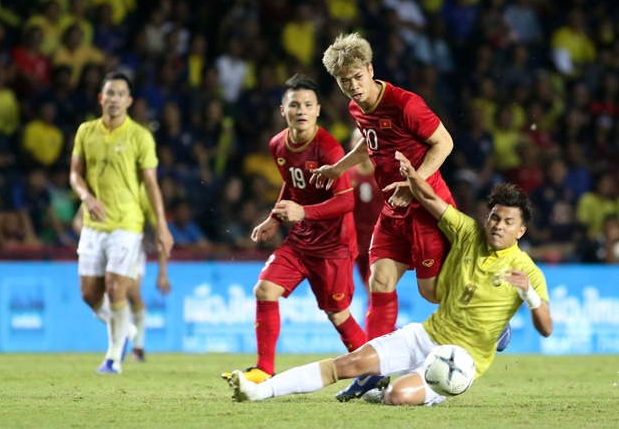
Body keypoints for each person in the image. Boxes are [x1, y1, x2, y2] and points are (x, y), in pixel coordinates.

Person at [229, 152, 552, 406]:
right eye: (494, 217)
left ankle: (399, 389)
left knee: (398, 395)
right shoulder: (469, 232)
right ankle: (259, 391)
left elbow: (546, 328)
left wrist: (530, 296)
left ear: (521, 230)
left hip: (459, 360)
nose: (498, 225)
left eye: (508, 222)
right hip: (425, 334)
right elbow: (431, 200)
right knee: (349, 364)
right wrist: (412, 176)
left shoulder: (527, 271)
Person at [310, 32, 456, 399]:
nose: (353, 87)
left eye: (357, 77)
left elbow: (444, 143)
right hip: (395, 208)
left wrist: (414, 183)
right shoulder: (356, 108)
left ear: (370, 69)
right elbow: (369, 140)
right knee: (379, 280)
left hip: (426, 207)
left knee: (431, 293)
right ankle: (372, 371)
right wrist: (338, 167)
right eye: (344, 81)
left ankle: (491, 317)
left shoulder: (405, 104)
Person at [221, 74, 366, 384]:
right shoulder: (278, 145)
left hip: (334, 245)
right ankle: (263, 370)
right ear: (282, 110)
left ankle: (373, 372)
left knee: (338, 314)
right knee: (264, 290)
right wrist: (274, 218)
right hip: (301, 240)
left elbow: (346, 201)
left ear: (318, 110)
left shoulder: (328, 149)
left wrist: (303, 212)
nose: (301, 111)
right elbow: (292, 184)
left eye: (308, 105)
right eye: (295, 105)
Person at [69, 71, 173, 374]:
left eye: (120, 94)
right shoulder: (85, 131)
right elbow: (75, 174)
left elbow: (151, 184)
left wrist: (162, 225)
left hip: (127, 224)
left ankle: (113, 358)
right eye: (109, 93)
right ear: (101, 98)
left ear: (129, 101)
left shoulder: (140, 136)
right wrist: (86, 198)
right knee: (89, 294)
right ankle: (124, 327)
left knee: (117, 288)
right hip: (93, 224)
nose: (114, 99)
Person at [72, 188, 172, 362]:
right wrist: (91, 237)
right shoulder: (98, 185)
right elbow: (78, 221)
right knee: (95, 295)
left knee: (131, 291)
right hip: (101, 245)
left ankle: (137, 346)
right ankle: (125, 331)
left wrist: (163, 272)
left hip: (130, 245)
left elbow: (161, 232)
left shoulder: (142, 190)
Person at [347, 127, 383, 290]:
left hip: (380, 239)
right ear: (352, 144)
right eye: (358, 141)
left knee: (375, 283)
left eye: (366, 141)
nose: (363, 145)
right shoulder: (345, 175)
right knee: (365, 285)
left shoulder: (384, 173)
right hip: (355, 240)